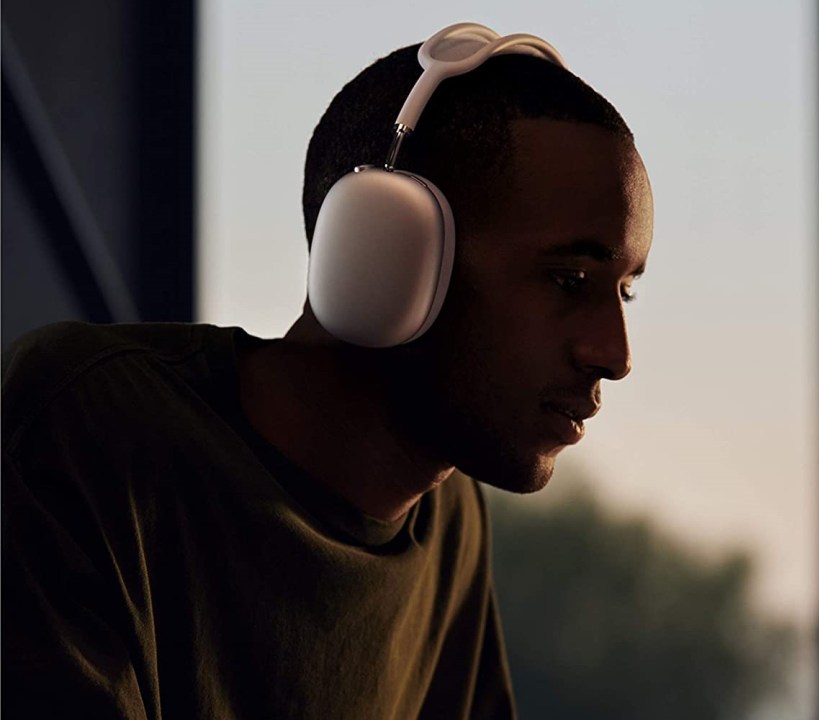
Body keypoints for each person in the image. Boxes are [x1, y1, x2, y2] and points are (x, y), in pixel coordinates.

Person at [2, 27, 653, 720]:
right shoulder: (93, 424)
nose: (614, 355)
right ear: (390, 254)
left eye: (624, 290)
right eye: (568, 279)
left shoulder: (447, 514)